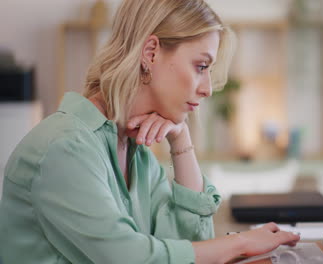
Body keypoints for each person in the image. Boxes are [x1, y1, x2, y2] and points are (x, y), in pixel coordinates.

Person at [0, 0, 300, 263]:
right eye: (201, 66)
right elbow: (134, 259)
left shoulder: (137, 153)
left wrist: (181, 140)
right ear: (151, 53)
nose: (208, 88)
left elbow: (190, 247)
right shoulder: (63, 149)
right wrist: (242, 242)